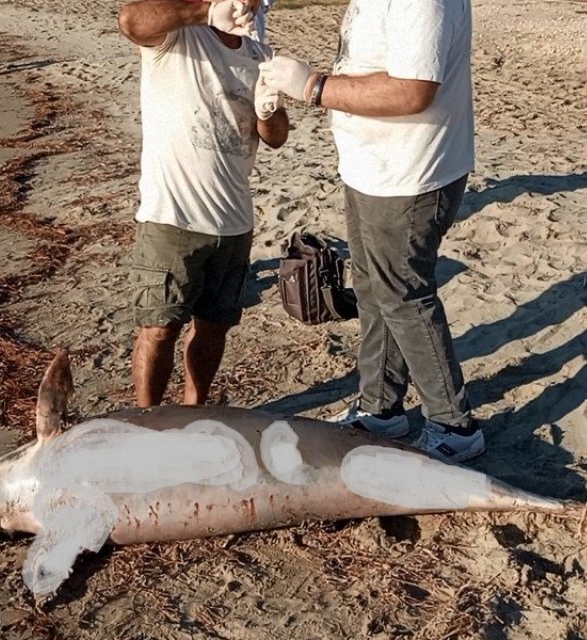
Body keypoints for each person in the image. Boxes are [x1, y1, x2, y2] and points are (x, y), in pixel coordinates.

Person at [258, 0, 482, 462]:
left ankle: (453, 426)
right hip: (375, 168)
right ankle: (381, 408)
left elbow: (413, 90)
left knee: (403, 296)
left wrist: (313, 86)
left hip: (410, 174)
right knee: (372, 287)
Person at [117, 0, 289, 407]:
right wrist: (207, 11)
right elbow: (130, 20)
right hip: (171, 216)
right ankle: (147, 421)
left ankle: (193, 410)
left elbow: (277, 135)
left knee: (213, 328)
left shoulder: (260, 54)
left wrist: (267, 108)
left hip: (234, 221)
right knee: (159, 329)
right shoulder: (177, 36)